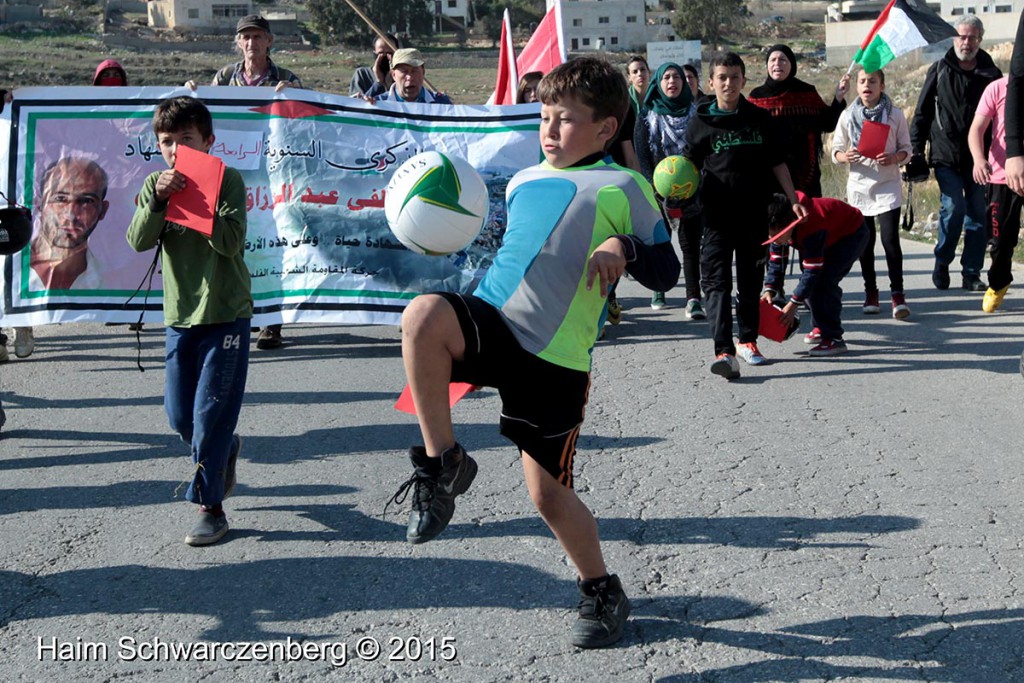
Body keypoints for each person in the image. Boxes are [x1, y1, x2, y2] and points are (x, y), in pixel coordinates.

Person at [389, 57, 679, 648]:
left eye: (565, 120)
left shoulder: (625, 186)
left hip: (556, 361)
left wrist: (623, 244)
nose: (550, 129)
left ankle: (601, 589)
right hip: (495, 320)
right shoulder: (521, 180)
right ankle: (442, 463)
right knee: (421, 315)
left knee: (548, 496)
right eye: (545, 117)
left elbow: (668, 271)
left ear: (605, 129)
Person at [126, 96, 252, 546]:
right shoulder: (154, 186)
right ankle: (226, 449)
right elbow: (138, 239)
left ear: (208, 142)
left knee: (210, 416)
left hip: (226, 315)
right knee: (181, 417)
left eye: (187, 140)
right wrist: (160, 201)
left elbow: (232, 242)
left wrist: (199, 202)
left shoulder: (228, 180)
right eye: (167, 142)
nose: (176, 150)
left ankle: (210, 507)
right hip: (180, 318)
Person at [684, 52, 807, 379]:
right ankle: (723, 350)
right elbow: (688, 168)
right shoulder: (699, 122)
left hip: (754, 214)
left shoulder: (759, 118)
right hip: (716, 216)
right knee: (717, 283)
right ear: (711, 82)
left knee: (751, 284)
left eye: (735, 77)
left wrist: (793, 198)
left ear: (743, 80)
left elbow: (777, 162)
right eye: (722, 77)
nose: (728, 83)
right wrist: (677, 193)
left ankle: (748, 341)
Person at [198, 14, 300, 350]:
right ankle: (235, 314)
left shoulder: (286, 79)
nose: (251, 43)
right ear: (238, 42)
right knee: (231, 245)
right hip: (230, 178)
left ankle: (271, 322)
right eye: (246, 37)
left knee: (273, 247)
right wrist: (192, 95)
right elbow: (205, 118)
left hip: (272, 178)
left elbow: (305, 127)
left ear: (270, 41)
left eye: (258, 36)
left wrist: (293, 99)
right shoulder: (224, 78)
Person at [910, 15, 1001, 292]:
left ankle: (971, 272)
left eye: (972, 37)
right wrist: (916, 151)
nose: (966, 42)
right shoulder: (939, 69)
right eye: (962, 36)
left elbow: (1000, 120)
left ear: (980, 40)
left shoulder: (991, 73)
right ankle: (942, 262)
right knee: (953, 209)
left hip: (981, 160)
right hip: (946, 155)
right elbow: (922, 114)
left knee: (977, 214)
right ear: (953, 38)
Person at [831, 68, 912, 319]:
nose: (867, 85)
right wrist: (846, 156)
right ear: (857, 86)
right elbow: (835, 151)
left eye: (873, 81)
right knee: (865, 244)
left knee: (890, 241)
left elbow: (907, 149)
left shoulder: (895, 115)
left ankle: (897, 295)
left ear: (882, 86)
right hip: (859, 188)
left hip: (887, 187)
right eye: (863, 81)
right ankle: (871, 292)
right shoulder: (847, 115)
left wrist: (894, 158)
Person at [634, 62, 704, 319]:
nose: (672, 81)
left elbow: (703, 151)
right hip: (657, 192)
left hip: (692, 189)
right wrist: (656, 189)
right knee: (659, 241)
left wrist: (694, 188)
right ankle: (658, 288)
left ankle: (693, 298)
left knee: (690, 244)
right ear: (658, 84)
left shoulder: (697, 114)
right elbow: (643, 156)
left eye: (676, 77)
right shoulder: (646, 116)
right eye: (666, 77)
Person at [762, 192, 869, 356]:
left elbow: (812, 272)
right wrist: (770, 289)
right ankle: (821, 326)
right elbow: (776, 261)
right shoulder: (781, 227)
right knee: (811, 285)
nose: (773, 239)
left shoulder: (812, 226)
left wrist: (792, 305)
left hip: (852, 234)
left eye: (776, 236)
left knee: (823, 282)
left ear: (791, 224)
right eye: (770, 236)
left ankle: (834, 338)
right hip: (830, 235)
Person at [747, 44, 849, 198]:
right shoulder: (757, 97)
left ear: (792, 64)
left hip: (807, 172)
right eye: (772, 60)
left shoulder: (806, 92)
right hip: (769, 173)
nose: (777, 64)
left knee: (810, 217)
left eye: (782, 60)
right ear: (767, 65)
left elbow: (827, 123)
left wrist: (838, 98)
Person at [968, 75, 1020, 312]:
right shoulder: (998, 87)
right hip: (1002, 176)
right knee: (999, 241)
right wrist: (979, 160)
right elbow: (977, 130)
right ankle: (999, 282)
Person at [363, 48, 452, 104]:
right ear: (393, 75)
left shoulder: (441, 103)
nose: (410, 77)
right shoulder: (379, 104)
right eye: (404, 71)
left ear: (423, 71)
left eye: (414, 71)